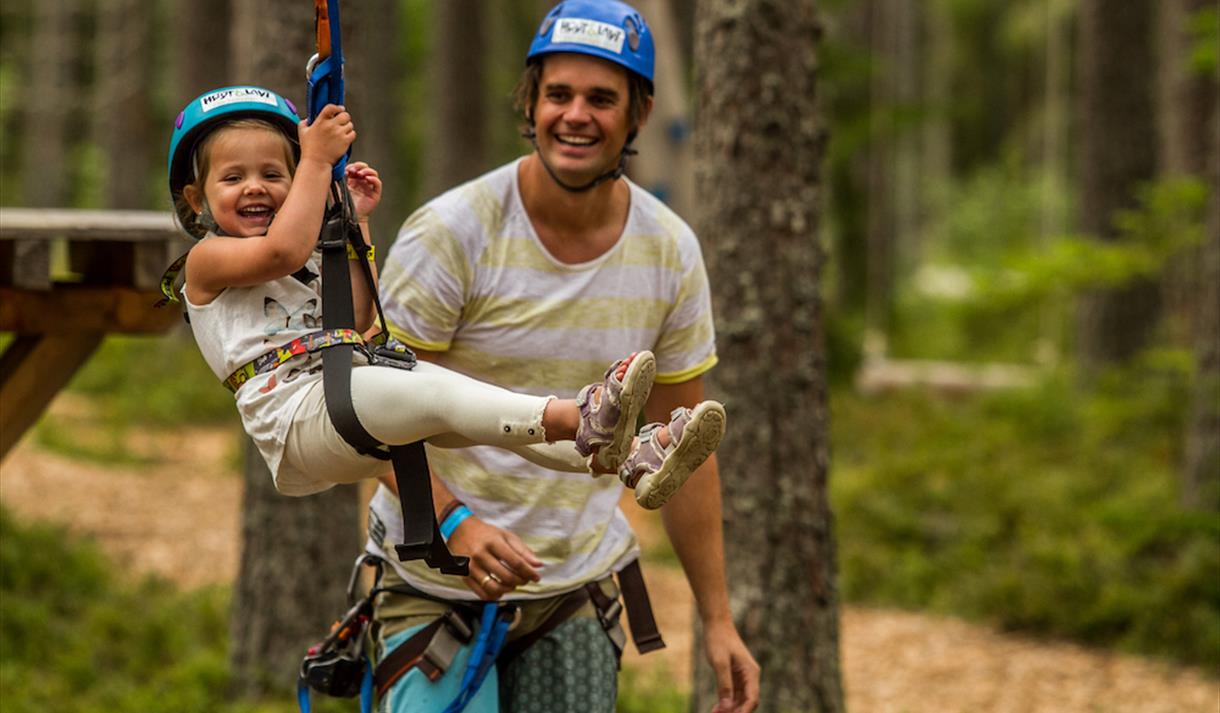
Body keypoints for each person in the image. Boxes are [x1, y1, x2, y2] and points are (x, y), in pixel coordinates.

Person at [367, 2, 761, 711]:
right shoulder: (452, 232)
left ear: (639, 114)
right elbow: (373, 413)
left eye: (601, 99)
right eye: (558, 94)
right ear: (531, 103)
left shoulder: (670, 250)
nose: (575, 116)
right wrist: (455, 523)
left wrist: (718, 618)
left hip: (574, 587)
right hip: (432, 579)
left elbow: (686, 450)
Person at [164, 85, 726, 502]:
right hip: (295, 420)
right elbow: (279, 254)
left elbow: (353, 320)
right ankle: (582, 412)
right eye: (233, 178)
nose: (255, 187)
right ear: (196, 199)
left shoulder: (304, 254)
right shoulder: (206, 260)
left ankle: (630, 455)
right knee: (437, 393)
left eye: (273, 174)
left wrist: (357, 225)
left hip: (340, 396)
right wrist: (314, 160)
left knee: (474, 412)